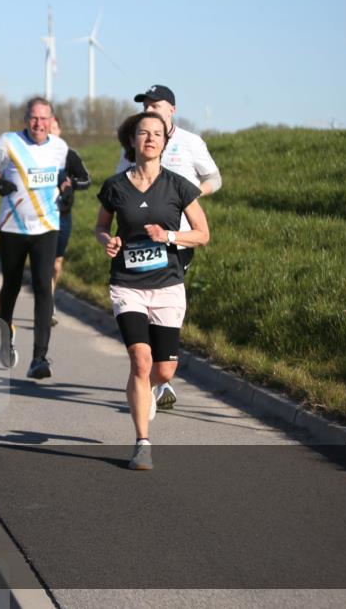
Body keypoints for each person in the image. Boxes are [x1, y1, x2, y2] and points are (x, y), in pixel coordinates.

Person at [95, 111, 209, 470]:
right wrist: (107, 241)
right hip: (127, 285)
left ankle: (151, 391)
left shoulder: (178, 186)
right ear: (132, 141)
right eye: (143, 133)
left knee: (164, 371)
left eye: (157, 134)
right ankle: (142, 442)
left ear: (164, 141)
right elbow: (100, 227)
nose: (150, 139)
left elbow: (203, 234)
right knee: (140, 362)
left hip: (168, 286)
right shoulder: (115, 186)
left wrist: (170, 236)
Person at [116, 85, 222, 410]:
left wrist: (187, 197)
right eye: (146, 105)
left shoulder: (191, 142)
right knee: (143, 300)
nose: (150, 108)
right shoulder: (134, 144)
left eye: (156, 104)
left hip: (180, 237)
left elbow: (215, 179)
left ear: (171, 109)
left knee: (164, 295)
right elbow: (119, 185)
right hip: (140, 238)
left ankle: (160, 374)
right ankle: (149, 366)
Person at [0, 97, 67, 379]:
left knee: (42, 286)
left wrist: (68, 188)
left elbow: (68, 175)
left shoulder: (60, 147)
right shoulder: (9, 141)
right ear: (27, 120)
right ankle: (5, 335)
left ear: (52, 120)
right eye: (34, 118)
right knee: (11, 285)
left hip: (47, 226)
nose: (39, 124)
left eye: (44, 118)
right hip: (12, 227)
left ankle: (40, 357)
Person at [48, 114, 91, 327]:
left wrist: (70, 183)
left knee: (56, 263)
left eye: (53, 127)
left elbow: (87, 180)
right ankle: (47, 307)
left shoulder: (69, 154)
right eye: (46, 128)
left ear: (60, 131)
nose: (49, 131)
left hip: (63, 214)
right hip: (41, 216)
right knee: (46, 262)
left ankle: (49, 297)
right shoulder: (35, 155)